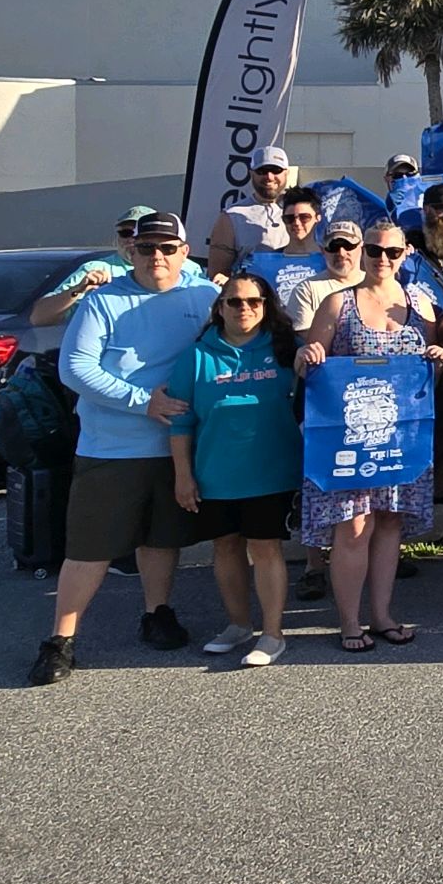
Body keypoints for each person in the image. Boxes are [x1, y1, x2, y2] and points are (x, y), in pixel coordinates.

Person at [28, 213, 220, 685]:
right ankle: (61, 640)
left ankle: (157, 613)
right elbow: (75, 369)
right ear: (130, 251)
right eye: (147, 248)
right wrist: (142, 402)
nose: (158, 256)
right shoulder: (102, 302)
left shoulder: (205, 296)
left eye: (168, 248)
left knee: (161, 540)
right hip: (112, 448)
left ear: (184, 250)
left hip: (178, 446)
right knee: (90, 548)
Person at [296, 223, 443, 647]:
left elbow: (425, 378)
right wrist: (308, 354)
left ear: (406, 253)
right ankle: (349, 622)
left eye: (393, 252)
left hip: (401, 438)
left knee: (389, 524)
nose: (383, 259)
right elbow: (306, 368)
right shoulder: (337, 303)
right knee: (354, 526)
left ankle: (382, 615)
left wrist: (436, 359)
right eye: (376, 251)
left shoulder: (422, 305)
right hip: (350, 439)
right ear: (363, 252)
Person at [166, 272, 299, 666]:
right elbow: (180, 421)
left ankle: (273, 634)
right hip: (215, 472)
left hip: (270, 470)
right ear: (219, 308)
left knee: (265, 547)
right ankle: (238, 624)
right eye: (235, 302)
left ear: (266, 306)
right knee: (225, 547)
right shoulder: (196, 356)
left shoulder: (284, 349)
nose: (245, 309)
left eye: (254, 302)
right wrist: (183, 475)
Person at [31, 203, 209, 326]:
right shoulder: (96, 270)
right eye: (125, 233)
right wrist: (78, 289)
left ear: (183, 251)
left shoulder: (190, 269)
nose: (131, 239)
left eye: (167, 248)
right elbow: (38, 318)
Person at [205, 145, 293, 278]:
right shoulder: (231, 216)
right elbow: (218, 274)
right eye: (261, 171)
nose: (269, 176)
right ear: (251, 173)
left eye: (276, 170)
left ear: (286, 172)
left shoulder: (305, 209)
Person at [284, 220, 365, 332]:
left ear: (361, 247)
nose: (341, 253)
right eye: (333, 247)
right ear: (323, 250)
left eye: (348, 245)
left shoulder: (379, 284)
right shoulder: (306, 290)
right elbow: (302, 337)